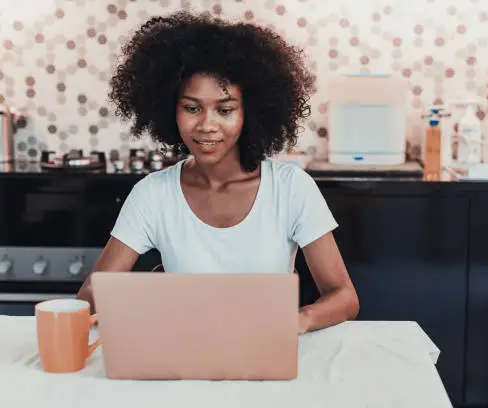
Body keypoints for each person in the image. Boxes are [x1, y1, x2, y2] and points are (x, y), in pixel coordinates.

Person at [76, 11, 359, 334]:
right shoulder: (153, 194)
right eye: (192, 108)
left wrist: (300, 319)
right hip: (182, 360)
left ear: (250, 113)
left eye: (225, 110)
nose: (207, 125)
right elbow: (89, 294)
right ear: (171, 110)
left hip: (265, 354)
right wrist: (142, 300)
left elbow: (345, 298)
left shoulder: (291, 187)